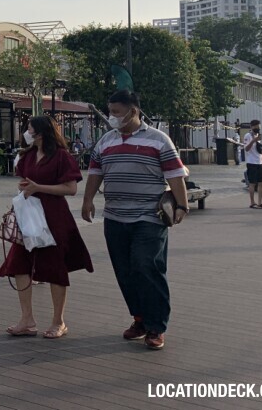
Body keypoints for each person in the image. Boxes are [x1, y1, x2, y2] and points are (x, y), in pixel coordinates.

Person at [82, 90, 189, 351]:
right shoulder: (106, 141)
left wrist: (182, 205)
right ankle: (139, 319)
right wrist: (87, 200)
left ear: (133, 111)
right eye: (110, 112)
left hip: (149, 216)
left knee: (146, 265)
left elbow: (175, 175)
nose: (112, 117)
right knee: (125, 270)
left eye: (116, 112)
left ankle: (156, 325)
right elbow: (95, 172)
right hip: (115, 216)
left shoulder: (159, 140)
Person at [0, 115, 92, 339]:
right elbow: (25, 182)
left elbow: (71, 189)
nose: (27, 132)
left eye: (30, 129)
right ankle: (27, 319)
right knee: (19, 264)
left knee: (54, 266)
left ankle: (59, 321)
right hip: (29, 216)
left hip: (53, 216)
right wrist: (26, 189)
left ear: (41, 132)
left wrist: (39, 187)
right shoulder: (28, 155)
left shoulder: (61, 156)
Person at [243, 120, 262, 209]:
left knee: (261, 182)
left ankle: (260, 202)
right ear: (251, 127)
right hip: (251, 162)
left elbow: (258, 148)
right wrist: (253, 140)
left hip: (260, 161)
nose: (257, 128)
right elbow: (246, 149)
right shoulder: (248, 135)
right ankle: (252, 202)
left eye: (259, 127)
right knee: (252, 183)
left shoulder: (258, 135)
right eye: (256, 127)